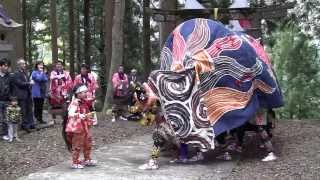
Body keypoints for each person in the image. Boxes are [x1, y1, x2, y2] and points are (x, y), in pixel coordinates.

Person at [64, 84, 97, 169]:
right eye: (84, 92)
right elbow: (70, 113)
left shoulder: (84, 101)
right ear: (78, 93)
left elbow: (87, 110)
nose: (86, 93)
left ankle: (87, 159)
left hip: (85, 125)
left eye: (86, 92)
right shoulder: (75, 102)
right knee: (77, 144)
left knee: (88, 142)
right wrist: (79, 115)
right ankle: (75, 162)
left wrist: (89, 115)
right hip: (77, 127)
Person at [12, 59, 34, 133]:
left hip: (27, 94)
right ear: (19, 65)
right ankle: (24, 126)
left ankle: (30, 124)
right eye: (23, 64)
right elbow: (19, 83)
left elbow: (26, 82)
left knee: (29, 110)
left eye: (24, 64)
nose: (25, 65)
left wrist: (29, 84)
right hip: (21, 95)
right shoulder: (16, 74)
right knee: (23, 111)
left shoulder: (25, 73)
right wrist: (29, 83)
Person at [0, 58, 12, 139]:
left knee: (5, 118)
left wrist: (12, 98)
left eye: (7, 66)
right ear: (0, 66)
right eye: (5, 66)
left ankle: (4, 134)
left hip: (7, 100)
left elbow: (12, 88)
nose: (6, 67)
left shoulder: (10, 76)